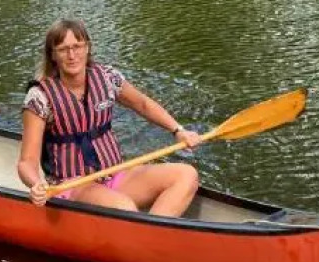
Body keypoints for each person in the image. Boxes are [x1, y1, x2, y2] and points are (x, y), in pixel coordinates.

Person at [17, 18, 202, 216]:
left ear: (87, 48)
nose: (72, 55)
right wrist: (36, 185)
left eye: (77, 46)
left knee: (187, 175)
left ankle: (152, 235)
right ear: (53, 55)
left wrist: (178, 130)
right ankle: (146, 236)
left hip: (114, 174)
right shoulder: (39, 98)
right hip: (72, 185)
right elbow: (26, 162)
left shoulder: (107, 78)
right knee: (124, 208)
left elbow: (143, 104)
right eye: (63, 49)